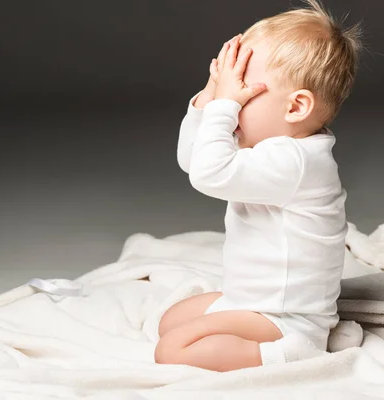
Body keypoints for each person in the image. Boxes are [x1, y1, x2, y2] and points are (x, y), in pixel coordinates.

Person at [155, 0, 362, 372]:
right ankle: (327, 334)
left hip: (285, 316)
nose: (229, 102)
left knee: (172, 349)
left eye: (242, 91)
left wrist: (221, 107)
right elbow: (194, 161)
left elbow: (208, 173)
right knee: (170, 321)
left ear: (295, 108)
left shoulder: (297, 162)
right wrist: (209, 96)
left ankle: (302, 350)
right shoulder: (267, 146)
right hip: (249, 299)